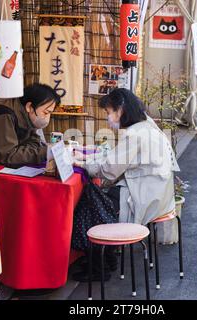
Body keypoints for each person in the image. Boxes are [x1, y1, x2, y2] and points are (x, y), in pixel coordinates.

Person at [71, 88, 180, 282]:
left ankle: (100, 265)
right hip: (158, 195)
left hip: (143, 197)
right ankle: (106, 258)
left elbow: (108, 169)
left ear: (120, 109)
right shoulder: (147, 125)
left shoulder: (135, 134)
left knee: (90, 201)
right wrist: (90, 158)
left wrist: (82, 163)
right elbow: (118, 159)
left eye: (108, 112)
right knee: (98, 198)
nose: (108, 118)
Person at [0, 83, 60, 169]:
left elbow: (34, 142)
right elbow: (8, 156)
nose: (47, 117)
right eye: (46, 112)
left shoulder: (27, 115)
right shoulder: (4, 115)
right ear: (29, 106)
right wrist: (46, 152)